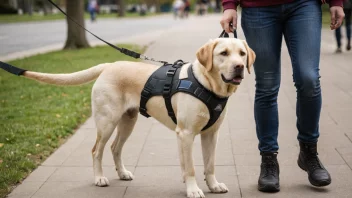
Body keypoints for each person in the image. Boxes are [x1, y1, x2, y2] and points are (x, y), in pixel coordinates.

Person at [220, 0, 344, 192]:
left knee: (309, 78)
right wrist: (229, 5)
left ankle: (309, 152)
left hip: (304, 5)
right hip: (257, 8)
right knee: (267, 85)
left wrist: (336, 2)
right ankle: (268, 160)